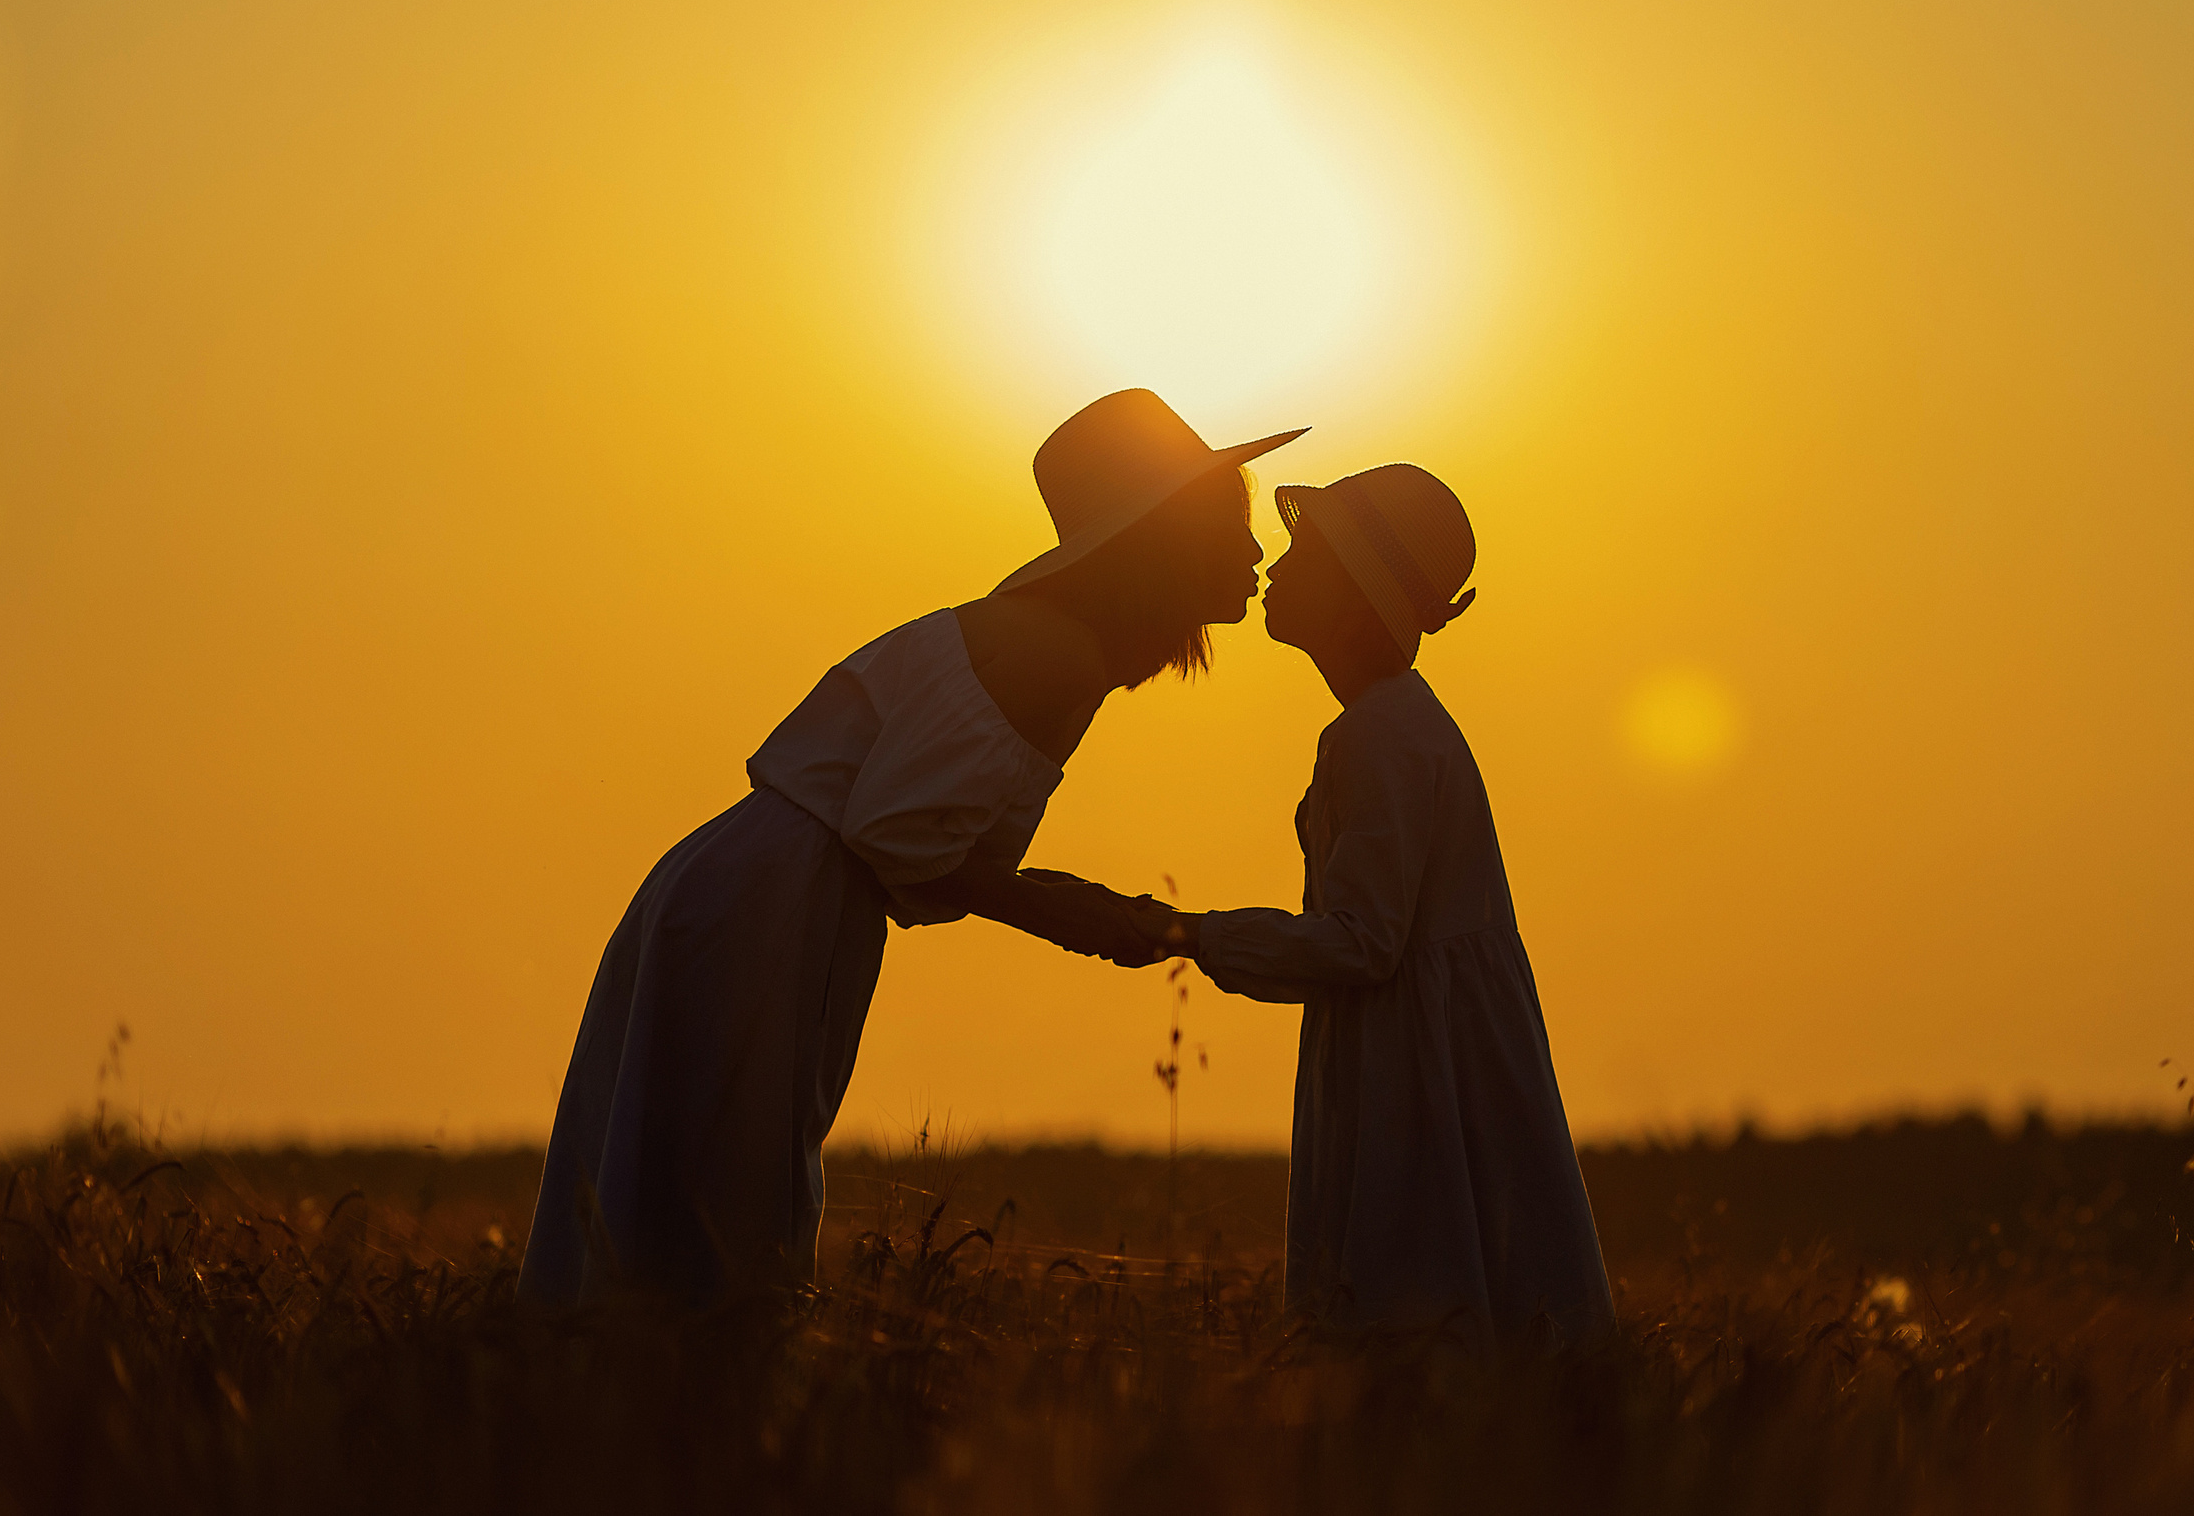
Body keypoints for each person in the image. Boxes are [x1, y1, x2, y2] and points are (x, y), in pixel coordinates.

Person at [519, 389, 1305, 1305]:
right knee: (727, 1200)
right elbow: (896, 836)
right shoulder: (1061, 658)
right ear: (1167, 543)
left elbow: (912, 834)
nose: (1255, 551)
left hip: (764, 881)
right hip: (779, 896)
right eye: (1231, 524)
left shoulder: (1052, 643)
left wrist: (1083, 911)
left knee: (693, 1181)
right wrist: (1080, 914)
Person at [1128, 464, 1614, 1354]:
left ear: (1357, 595)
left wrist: (1181, 933)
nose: (1275, 564)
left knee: (1419, 1326)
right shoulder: (1399, 724)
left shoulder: (1375, 737)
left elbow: (1363, 944)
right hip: (1438, 1055)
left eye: (1305, 553)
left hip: (1418, 1076)